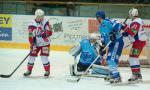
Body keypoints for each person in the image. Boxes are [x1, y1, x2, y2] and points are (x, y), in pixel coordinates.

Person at [96, 10, 124, 83]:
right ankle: (112, 74)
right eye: (97, 17)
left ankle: (117, 77)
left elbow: (119, 25)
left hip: (117, 41)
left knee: (111, 59)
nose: (97, 19)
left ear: (100, 17)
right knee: (109, 59)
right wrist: (102, 47)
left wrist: (113, 33)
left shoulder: (108, 21)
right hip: (112, 44)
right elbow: (103, 38)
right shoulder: (101, 27)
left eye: (98, 17)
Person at [24, 9, 52, 77]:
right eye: (40, 16)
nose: (42, 17)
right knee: (31, 56)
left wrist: (44, 33)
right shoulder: (31, 24)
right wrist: (32, 43)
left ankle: (47, 71)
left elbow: (50, 32)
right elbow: (30, 35)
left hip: (45, 43)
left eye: (42, 16)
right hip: (35, 44)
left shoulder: (46, 22)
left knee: (44, 57)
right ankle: (29, 70)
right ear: (36, 16)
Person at [122, 8, 147, 82]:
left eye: (130, 14)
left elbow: (133, 32)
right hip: (139, 42)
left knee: (132, 57)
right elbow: (130, 32)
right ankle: (138, 74)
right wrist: (124, 32)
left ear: (132, 14)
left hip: (138, 42)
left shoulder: (136, 22)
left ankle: (135, 74)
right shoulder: (136, 21)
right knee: (134, 57)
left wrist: (125, 27)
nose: (129, 16)